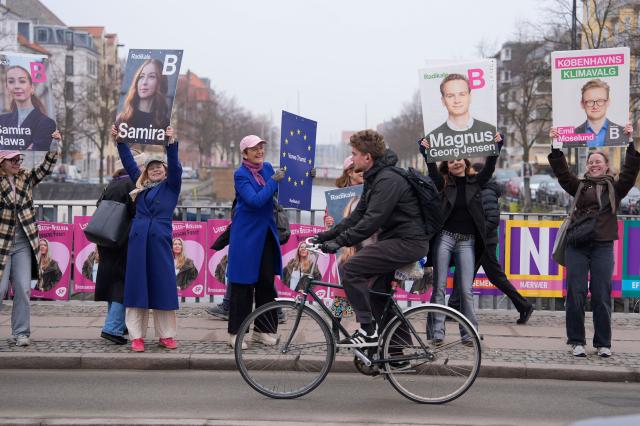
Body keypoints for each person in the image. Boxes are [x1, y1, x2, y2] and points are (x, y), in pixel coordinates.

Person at [313, 130, 429, 347]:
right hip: (395, 240)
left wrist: (340, 242)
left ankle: (368, 330)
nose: (352, 158)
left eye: (355, 154)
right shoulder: (375, 177)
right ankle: (397, 356)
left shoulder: (388, 180)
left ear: (367, 157)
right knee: (378, 296)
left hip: (407, 242)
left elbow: (371, 221)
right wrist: (325, 236)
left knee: (351, 268)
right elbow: (357, 216)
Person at [549, 125, 640, 357]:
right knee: (576, 293)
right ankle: (577, 341)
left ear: (607, 165)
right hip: (577, 245)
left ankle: (603, 344)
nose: (594, 164)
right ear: (587, 166)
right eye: (591, 162)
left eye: (598, 161)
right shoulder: (579, 186)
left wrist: (630, 141)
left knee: (601, 294)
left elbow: (630, 172)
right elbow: (562, 173)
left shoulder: (616, 188)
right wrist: (556, 144)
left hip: (602, 244)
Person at [419, 134, 501, 344]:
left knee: (465, 290)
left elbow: (490, 167)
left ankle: (468, 333)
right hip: (444, 239)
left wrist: (496, 145)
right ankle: (437, 332)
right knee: (439, 288)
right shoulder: (442, 184)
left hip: (467, 241)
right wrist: (426, 151)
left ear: (465, 162)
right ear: (446, 164)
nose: (455, 162)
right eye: (451, 160)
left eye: (459, 159)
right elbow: (431, 170)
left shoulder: (477, 182)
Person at [112, 124, 181, 352]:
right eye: (151, 168)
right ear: (146, 172)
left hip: (160, 241)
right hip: (139, 242)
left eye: (159, 167)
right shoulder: (139, 185)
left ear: (165, 170)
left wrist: (169, 143)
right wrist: (120, 141)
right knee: (137, 289)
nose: (155, 170)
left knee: (163, 287)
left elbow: (177, 168)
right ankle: (136, 337)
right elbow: (129, 163)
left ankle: (166, 335)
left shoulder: (171, 187)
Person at [448, 161, 534, 324]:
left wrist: (475, 234)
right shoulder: (478, 190)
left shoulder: (486, 192)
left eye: (470, 172)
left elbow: (492, 219)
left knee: (487, 276)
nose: (467, 174)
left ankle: (524, 306)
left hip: (484, 243)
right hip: (478, 241)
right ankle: (454, 308)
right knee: (468, 273)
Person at [0, 129, 61, 346]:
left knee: (23, 289)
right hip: (2, 243)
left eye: (19, 158)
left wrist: (54, 143)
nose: (17, 162)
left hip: (23, 242)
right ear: (2, 161)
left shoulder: (26, 177)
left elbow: (46, 168)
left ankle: (21, 333)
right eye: (12, 159)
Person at [226, 134, 285, 349]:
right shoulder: (240, 175)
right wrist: (273, 182)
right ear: (245, 153)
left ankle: (265, 330)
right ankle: (236, 333)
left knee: (266, 284)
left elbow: (285, 191)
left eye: (261, 147)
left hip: (266, 235)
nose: (260, 151)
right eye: (254, 149)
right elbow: (255, 201)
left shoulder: (268, 168)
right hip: (246, 236)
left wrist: (307, 177)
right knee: (242, 285)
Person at [94, 150, 145, 345]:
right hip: (124, 240)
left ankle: (117, 324)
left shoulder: (112, 184)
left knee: (114, 282)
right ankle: (113, 327)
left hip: (107, 239)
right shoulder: (131, 185)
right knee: (123, 284)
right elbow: (137, 213)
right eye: (141, 166)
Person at [424, 73, 495, 153]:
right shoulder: (432, 139)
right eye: (450, 96)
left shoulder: (490, 131)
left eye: (462, 94)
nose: (457, 100)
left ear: (470, 97)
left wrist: (498, 144)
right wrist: (426, 153)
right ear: (443, 101)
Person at [0, 65, 56, 151]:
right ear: (7, 89)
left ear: (32, 88)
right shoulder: (2, 120)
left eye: (22, 81)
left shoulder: (46, 123)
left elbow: (34, 155)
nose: (16, 86)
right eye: (11, 82)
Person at [115, 59, 170, 145]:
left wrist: (171, 140)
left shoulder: (164, 123)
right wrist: (114, 136)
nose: (144, 82)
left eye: (151, 77)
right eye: (141, 77)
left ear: (160, 82)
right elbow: (118, 145)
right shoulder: (123, 119)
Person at [573, 79, 625, 148]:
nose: (595, 106)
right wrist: (555, 142)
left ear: (608, 102)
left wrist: (630, 139)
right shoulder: (572, 136)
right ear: (582, 104)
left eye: (600, 101)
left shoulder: (623, 133)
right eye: (590, 101)